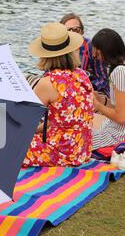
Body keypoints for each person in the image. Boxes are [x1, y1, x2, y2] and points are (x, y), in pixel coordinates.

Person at [23, 22, 94, 167]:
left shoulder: (48, 83)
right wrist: (37, 131)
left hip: (61, 153)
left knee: (7, 146)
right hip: (82, 150)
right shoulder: (82, 75)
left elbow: (25, 122)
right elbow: (63, 119)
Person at [60, 13, 110, 97]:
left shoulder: (92, 47)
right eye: (68, 30)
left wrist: (84, 88)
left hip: (93, 90)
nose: (72, 33)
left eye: (76, 29)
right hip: (65, 89)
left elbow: (102, 79)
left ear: (82, 31)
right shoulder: (57, 47)